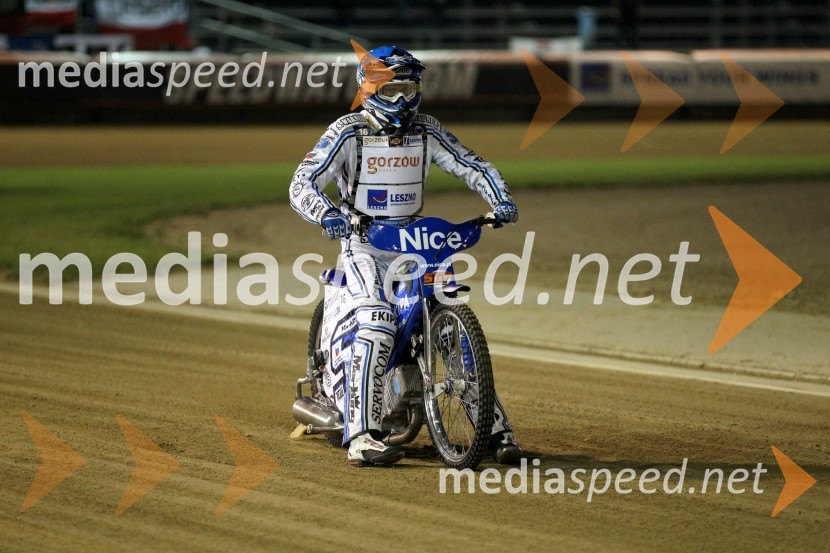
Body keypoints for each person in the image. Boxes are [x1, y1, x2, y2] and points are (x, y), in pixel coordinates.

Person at [289, 45, 522, 467]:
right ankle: (361, 436)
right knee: (377, 322)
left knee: (447, 318)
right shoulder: (347, 131)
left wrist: (501, 201)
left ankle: (491, 427)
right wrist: (328, 215)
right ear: (370, 88)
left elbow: (473, 164)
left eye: (409, 88)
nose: (402, 99)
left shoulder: (427, 130)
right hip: (364, 245)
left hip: (414, 241)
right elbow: (302, 183)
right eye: (391, 89)